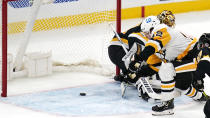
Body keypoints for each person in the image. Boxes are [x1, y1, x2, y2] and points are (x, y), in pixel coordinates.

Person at [127, 15, 209, 115]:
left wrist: (137, 60)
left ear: (153, 28)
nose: (146, 36)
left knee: (167, 70)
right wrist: (136, 74)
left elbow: (151, 47)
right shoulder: (158, 43)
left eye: (147, 32)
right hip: (187, 60)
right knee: (182, 86)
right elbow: (152, 65)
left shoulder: (161, 29)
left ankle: (167, 105)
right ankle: (201, 96)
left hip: (196, 56)